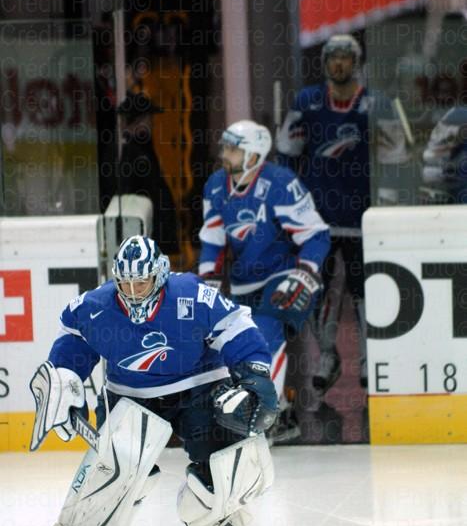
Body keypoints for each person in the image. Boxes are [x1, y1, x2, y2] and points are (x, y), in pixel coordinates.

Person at [30, 235, 278, 526]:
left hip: (197, 388)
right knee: (116, 469)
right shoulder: (94, 306)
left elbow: (236, 324)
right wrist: (65, 378)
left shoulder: (192, 294)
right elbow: (73, 338)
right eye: (125, 283)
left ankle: (217, 508)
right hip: (129, 396)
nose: (132, 292)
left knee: (231, 463)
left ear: (159, 275)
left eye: (141, 282)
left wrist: (254, 374)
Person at [277, 34, 409, 393]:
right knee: (315, 288)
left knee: (365, 288)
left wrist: (386, 205)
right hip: (317, 219)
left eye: (345, 57)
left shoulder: (377, 104)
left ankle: (369, 357)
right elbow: (287, 152)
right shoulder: (307, 102)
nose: (338, 63)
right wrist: (290, 207)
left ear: (356, 61)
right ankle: (327, 355)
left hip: (362, 218)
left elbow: (396, 157)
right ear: (324, 62)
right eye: (332, 57)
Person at [199, 120, 330, 442]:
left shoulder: (280, 182)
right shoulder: (215, 185)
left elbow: (316, 235)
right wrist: (207, 282)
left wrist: (305, 272)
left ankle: (263, 419)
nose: (225, 153)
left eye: (233, 148)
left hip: (283, 276)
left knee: (265, 336)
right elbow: (212, 240)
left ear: (254, 156)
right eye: (225, 146)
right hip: (243, 282)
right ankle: (279, 413)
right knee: (229, 346)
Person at [116, 91, 179, 253]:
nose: (152, 125)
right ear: (138, 121)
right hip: (147, 236)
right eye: (148, 120)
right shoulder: (136, 154)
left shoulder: (140, 151)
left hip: (150, 235)